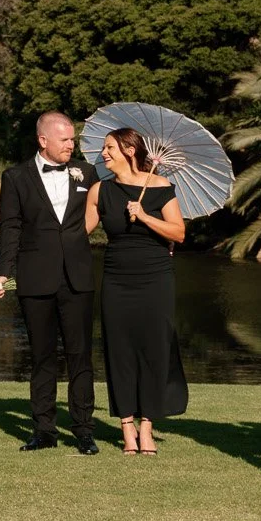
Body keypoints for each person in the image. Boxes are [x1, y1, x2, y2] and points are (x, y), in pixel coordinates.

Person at [0, 111, 99, 455]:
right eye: (65, 139)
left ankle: (84, 431)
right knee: (41, 357)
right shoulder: (15, 177)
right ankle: (44, 430)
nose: (71, 145)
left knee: (80, 355)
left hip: (78, 276)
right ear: (43, 141)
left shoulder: (88, 172)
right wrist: (3, 273)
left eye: (72, 139)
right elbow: (10, 228)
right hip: (35, 277)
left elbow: (101, 211)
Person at [90, 127, 188, 453]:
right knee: (119, 351)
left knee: (154, 350)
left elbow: (178, 233)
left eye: (109, 148)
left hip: (156, 280)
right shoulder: (99, 190)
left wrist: (145, 216)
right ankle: (126, 425)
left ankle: (147, 426)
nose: (103, 154)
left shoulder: (161, 187)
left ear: (130, 150)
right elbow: (75, 234)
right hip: (116, 279)